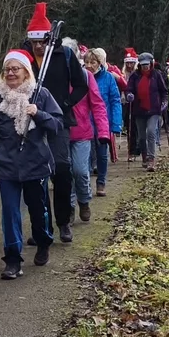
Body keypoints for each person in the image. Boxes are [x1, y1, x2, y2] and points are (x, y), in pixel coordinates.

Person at [0, 49, 62, 280]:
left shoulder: (40, 95)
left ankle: (43, 242)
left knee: (38, 211)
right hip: (8, 167)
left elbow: (57, 125)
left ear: (26, 72)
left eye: (15, 69)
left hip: (36, 165)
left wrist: (39, 114)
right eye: (7, 69)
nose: (10, 73)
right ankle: (12, 259)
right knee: (10, 213)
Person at [26, 3, 87, 245]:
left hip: (58, 121)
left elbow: (81, 85)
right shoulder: (23, 56)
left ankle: (63, 221)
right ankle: (42, 227)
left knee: (61, 169)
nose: (38, 46)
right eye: (34, 42)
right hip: (30, 121)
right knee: (36, 175)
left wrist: (65, 103)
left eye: (42, 41)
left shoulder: (64, 55)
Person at [65, 47, 105, 223]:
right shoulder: (54, 76)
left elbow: (97, 105)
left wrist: (103, 131)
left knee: (80, 171)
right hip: (60, 132)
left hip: (82, 133)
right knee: (65, 174)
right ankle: (69, 207)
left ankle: (84, 200)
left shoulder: (86, 76)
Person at [87, 48, 122, 197]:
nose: (89, 65)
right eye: (87, 62)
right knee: (86, 155)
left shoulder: (108, 78)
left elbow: (115, 100)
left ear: (100, 63)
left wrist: (116, 123)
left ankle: (101, 182)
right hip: (86, 123)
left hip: (103, 123)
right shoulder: (82, 77)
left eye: (93, 62)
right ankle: (85, 184)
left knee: (102, 155)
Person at [125, 52, 169, 169]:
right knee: (141, 136)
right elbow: (128, 89)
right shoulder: (135, 76)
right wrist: (129, 95)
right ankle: (144, 157)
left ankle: (151, 159)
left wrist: (164, 102)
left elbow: (164, 91)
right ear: (139, 64)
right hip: (139, 109)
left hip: (154, 109)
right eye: (143, 64)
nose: (145, 66)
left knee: (151, 132)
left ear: (151, 63)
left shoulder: (157, 75)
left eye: (147, 64)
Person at [120, 48, 141, 158]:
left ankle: (139, 147)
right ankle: (131, 150)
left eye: (131, 63)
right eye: (127, 63)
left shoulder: (138, 74)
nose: (129, 65)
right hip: (127, 102)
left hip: (139, 103)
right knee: (130, 127)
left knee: (139, 127)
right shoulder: (123, 74)